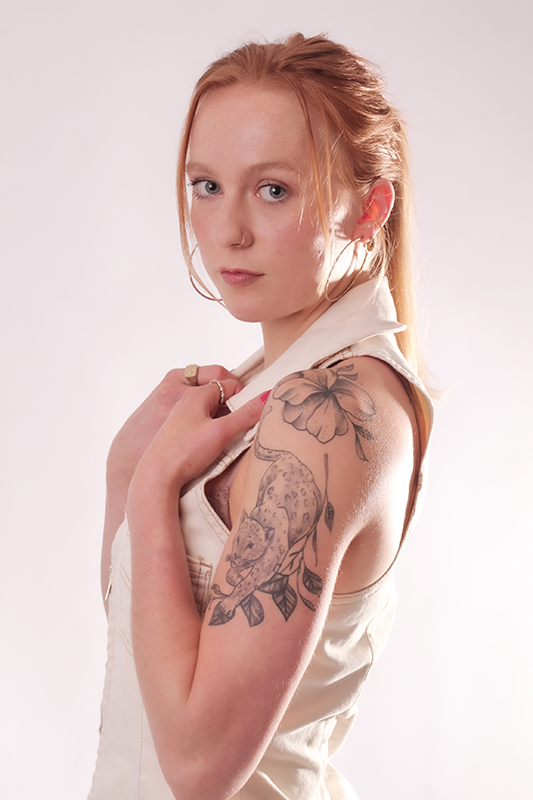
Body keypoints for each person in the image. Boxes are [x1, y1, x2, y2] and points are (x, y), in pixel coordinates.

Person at [89, 33, 433, 800]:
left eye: (273, 189)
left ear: (368, 207)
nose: (227, 229)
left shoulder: (328, 417)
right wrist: (125, 471)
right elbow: (142, 648)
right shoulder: (264, 385)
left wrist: (154, 486)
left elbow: (198, 766)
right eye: (206, 185)